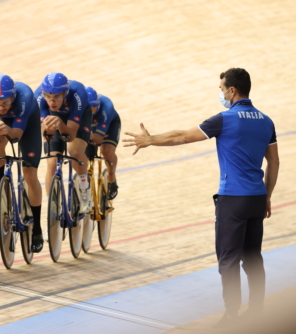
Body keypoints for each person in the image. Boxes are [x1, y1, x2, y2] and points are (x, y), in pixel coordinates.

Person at [123, 68, 280, 327]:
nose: (220, 94)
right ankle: (257, 312)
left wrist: (152, 140)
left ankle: (231, 317)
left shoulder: (225, 119)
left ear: (232, 91)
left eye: (221, 89)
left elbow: (183, 136)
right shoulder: (266, 121)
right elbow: (273, 160)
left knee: (228, 260)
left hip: (233, 199)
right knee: (253, 257)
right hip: (256, 198)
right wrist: (267, 196)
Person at [0, 74, 44, 253]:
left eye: (5, 102)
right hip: (7, 124)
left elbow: (17, 136)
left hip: (27, 124)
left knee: (29, 173)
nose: (1, 107)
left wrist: (7, 129)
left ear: (13, 97)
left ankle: (37, 228)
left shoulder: (24, 97)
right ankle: (0, 181)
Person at [34, 72, 93, 213]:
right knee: (52, 162)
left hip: (79, 116)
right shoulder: (38, 97)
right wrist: (47, 129)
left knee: (75, 151)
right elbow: (44, 132)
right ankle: (52, 209)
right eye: (48, 96)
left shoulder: (77, 94)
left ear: (65, 93)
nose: (52, 101)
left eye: (57, 96)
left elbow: (70, 136)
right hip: (54, 116)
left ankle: (84, 189)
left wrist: (60, 125)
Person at [85, 86, 121, 199]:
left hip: (109, 125)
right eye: (88, 109)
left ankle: (111, 176)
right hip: (89, 127)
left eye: (94, 108)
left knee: (106, 151)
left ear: (98, 104)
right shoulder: (78, 107)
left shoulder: (107, 107)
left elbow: (99, 139)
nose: (91, 112)